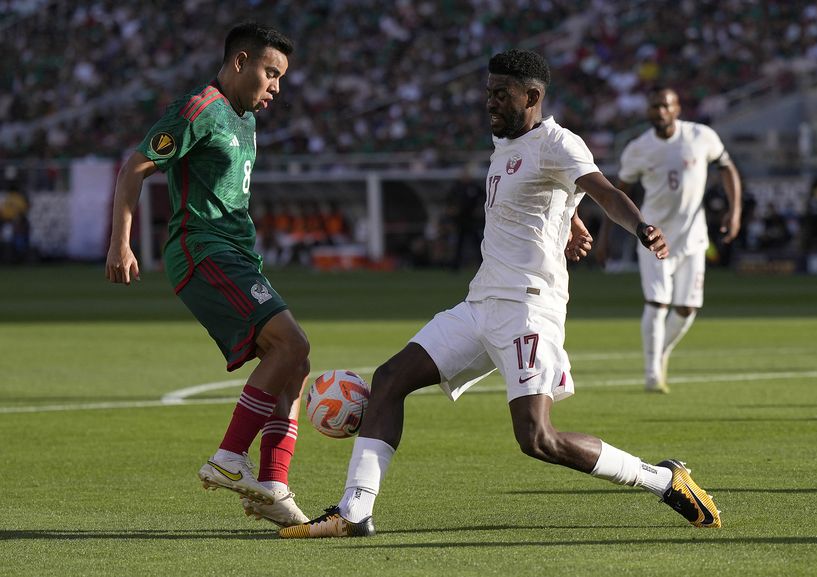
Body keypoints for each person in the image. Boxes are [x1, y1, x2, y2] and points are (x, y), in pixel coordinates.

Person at [279, 49, 720, 539]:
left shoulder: (559, 142)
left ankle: (662, 478)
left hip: (528, 309)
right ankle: (354, 511)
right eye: (488, 91)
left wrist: (642, 227)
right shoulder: (505, 140)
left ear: (531, 97)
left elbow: (604, 191)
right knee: (389, 379)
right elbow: (540, 194)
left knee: (537, 439)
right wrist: (568, 220)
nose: (490, 102)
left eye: (501, 94)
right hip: (481, 303)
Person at [105, 22, 310, 528]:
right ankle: (228, 459)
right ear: (240, 62)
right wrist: (120, 243)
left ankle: (272, 486)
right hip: (203, 251)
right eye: (271, 73)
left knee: (295, 365)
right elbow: (135, 168)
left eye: (281, 77)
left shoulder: (245, 119)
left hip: (236, 254)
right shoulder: (201, 108)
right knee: (292, 346)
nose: (276, 88)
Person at [597, 87, 741, 394]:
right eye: (653, 106)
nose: (659, 111)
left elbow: (727, 167)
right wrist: (606, 236)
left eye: (665, 106)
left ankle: (662, 351)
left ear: (677, 109)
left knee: (687, 309)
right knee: (657, 302)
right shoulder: (638, 149)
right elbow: (617, 194)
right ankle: (652, 374)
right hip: (653, 236)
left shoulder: (701, 137)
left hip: (693, 237)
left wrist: (735, 211)